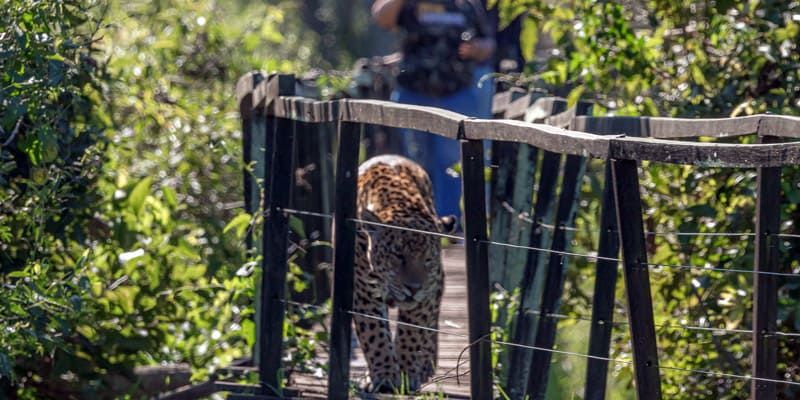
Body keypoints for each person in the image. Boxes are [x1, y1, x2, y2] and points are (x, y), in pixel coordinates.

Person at [372, 0, 495, 223]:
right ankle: (416, 222)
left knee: (451, 163)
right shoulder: (408, 4)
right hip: (413, 94)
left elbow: (488, 42)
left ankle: (448, 224)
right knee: (413, 161)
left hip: (456, 94)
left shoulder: (464, 4)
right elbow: (382, 17)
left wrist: (478, 49)